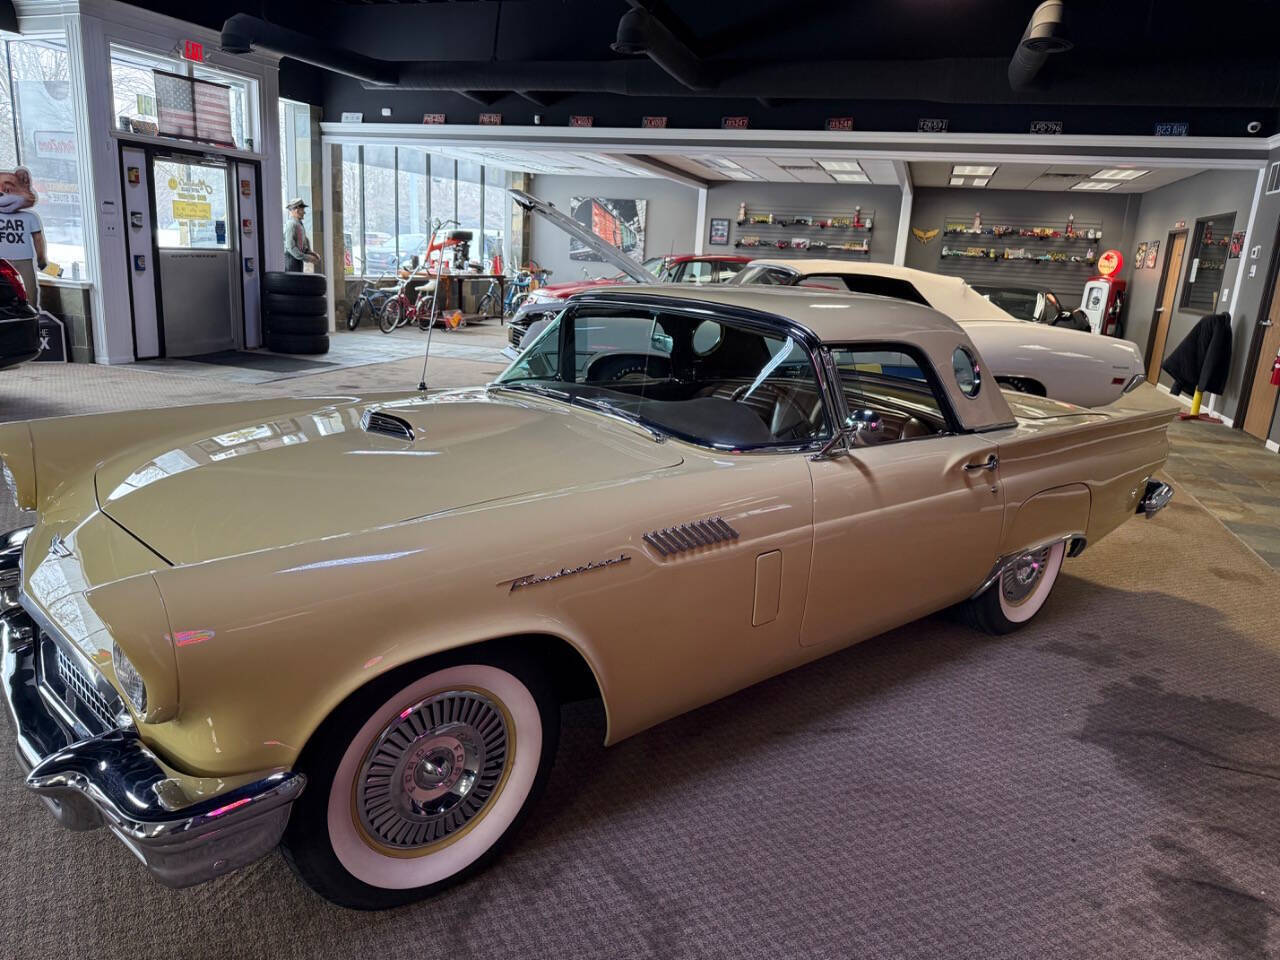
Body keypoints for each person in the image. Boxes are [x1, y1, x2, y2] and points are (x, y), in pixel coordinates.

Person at [284, 198, 321, 272]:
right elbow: (291, 247)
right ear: (296, 210)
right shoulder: (291, 225)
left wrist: (310, 252)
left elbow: (302, 241)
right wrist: (307, 257)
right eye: (302, 210)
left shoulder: (299, 225)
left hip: (297, 261)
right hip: (291, 262)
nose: (304, 212)